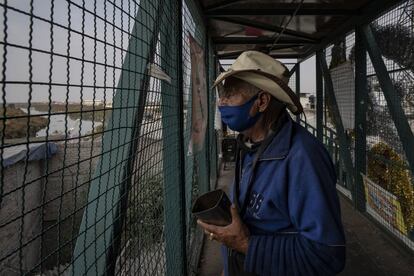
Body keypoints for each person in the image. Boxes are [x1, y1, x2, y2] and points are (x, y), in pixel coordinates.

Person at [197, 51, 346, 276]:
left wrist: (245, 244)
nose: (221, 102)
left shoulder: (303, 158)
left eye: (230, 94)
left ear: (262, 101)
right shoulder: (248, 144)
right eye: (222, 94)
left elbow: (327, 255)